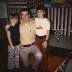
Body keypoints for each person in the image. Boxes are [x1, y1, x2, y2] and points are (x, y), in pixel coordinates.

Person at [35, 6, 50, 72]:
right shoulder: (35, 19)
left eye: (41, 11)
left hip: (43, 39)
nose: (39, 12)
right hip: (36, 39)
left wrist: (46, 40)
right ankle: (38, 66)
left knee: (44, 53)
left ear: (44, 12)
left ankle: (44, 68)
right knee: (37, 54)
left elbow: (48, 31)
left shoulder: (46, 20)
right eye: (38, 11)